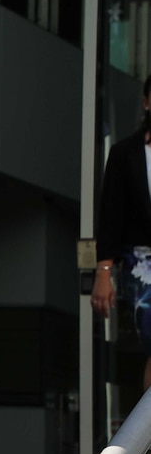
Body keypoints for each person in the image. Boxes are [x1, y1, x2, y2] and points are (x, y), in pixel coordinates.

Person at [92, 73, 151, 393]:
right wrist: (104, 271)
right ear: (146, 102)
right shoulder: (124, 153)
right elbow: (111, 215)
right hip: (141, 265)